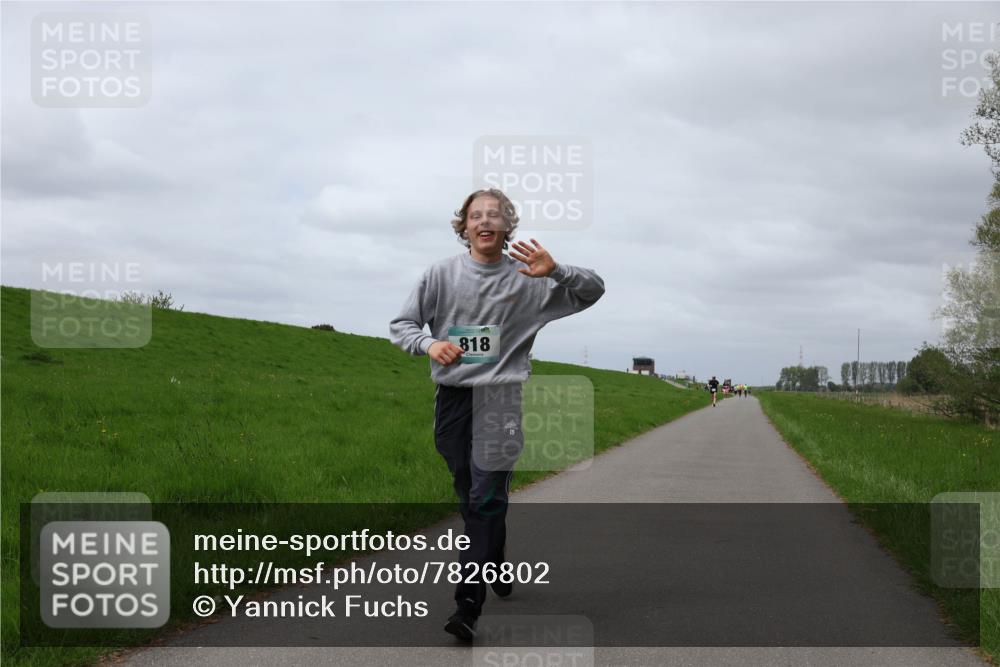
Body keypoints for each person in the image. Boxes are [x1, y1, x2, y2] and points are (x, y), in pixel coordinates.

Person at [389, 188, 605, 640]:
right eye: (476, 215)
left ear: (508, 227)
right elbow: (403, 325)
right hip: (453, 401)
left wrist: (559, 270)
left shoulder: (531, 277)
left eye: (496, 215)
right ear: (463, 225)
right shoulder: (440, 275)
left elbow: (594, 290)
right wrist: (431, 344)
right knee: (471, 497)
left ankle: (467, 604)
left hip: (501, 399)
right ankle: (494, 561)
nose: (485, 221)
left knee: (486, 497)